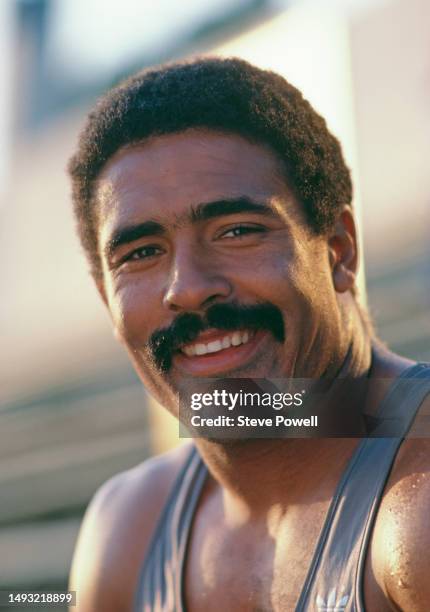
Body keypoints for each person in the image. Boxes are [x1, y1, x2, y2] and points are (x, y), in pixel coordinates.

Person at [67, 57, 430, 611]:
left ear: (338, 250)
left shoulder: (415, 515)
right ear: (105, 299)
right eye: (141, 253)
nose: (187, 289)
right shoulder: (127, 533)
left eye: (237, 231)